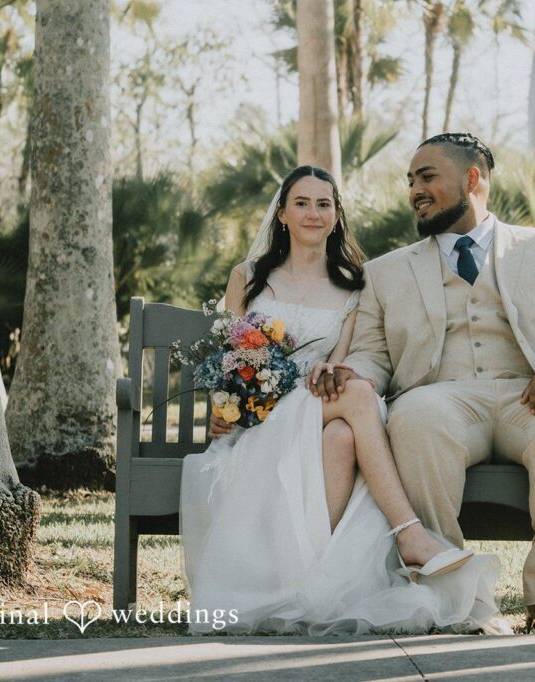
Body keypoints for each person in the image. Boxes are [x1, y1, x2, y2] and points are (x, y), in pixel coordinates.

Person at [180, 165, 503, 635]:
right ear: (283, 215)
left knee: (342, 439)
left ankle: (312, 581)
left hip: (322, 407)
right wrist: (224, 407)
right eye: (302, 203)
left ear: (336, 216)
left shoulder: (353, 285)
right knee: (355, 400)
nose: (314, 213)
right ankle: (410, 534)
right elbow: (230, 360)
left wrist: (331, 379)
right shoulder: (248, 278)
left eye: (324, 204)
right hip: (262, 422)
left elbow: (344, 366)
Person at [310, 133, 535, 633]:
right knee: (415, 419)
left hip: (530, 393)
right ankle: (451, 595)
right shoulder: (385, 273)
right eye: (410, 181)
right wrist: (352, 374)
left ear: (472, 179)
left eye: (427, 177)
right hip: (440, 396)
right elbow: (372, 354)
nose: (414, 190)